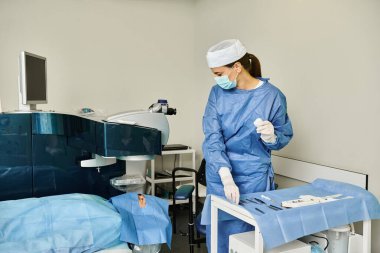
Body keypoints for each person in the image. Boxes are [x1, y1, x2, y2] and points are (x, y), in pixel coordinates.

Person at [202, 39, 293, 253]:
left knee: (250, 241)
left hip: (254, 180)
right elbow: (212, 137)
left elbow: (284, 135)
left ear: (237, 67)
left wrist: (272, 137)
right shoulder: (217, 94)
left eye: (218, 74)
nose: (216, 80)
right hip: (220, 177)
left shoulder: (272, 96)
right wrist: (225, 175)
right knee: (219, 239)